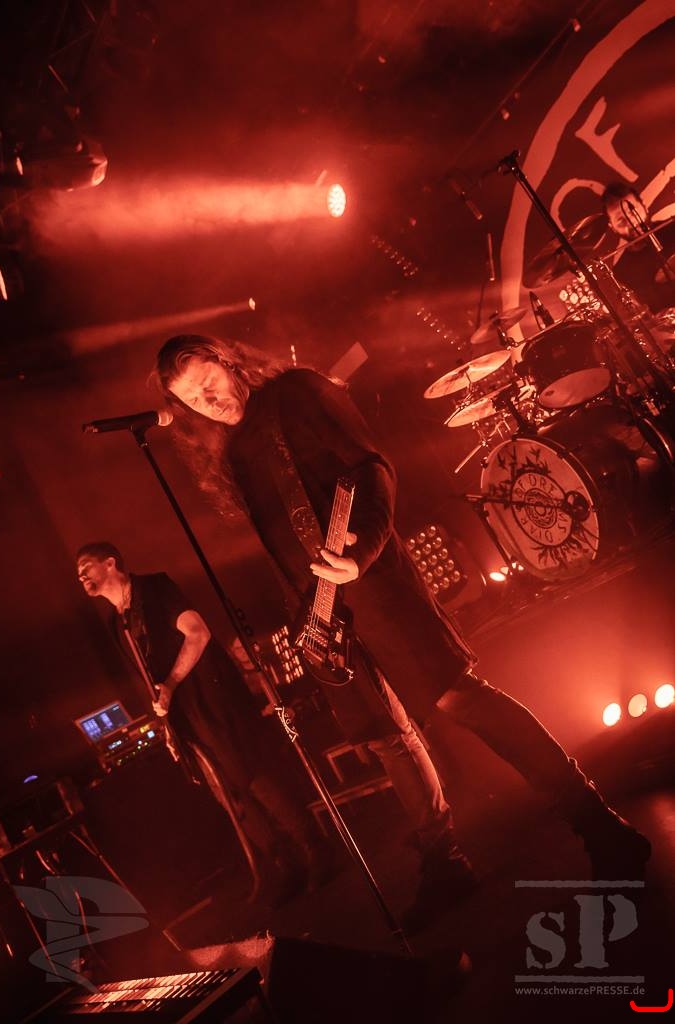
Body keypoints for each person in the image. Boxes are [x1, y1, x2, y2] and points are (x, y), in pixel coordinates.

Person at [152, 335, 652, 931]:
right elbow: (282, 537)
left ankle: (598, 823)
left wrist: (360, 551)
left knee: (460, 699)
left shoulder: (297, 393)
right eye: (191, 399)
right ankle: (445, 863)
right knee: (385, 737)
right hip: (322, 612)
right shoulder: (234, 452)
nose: (206, 401)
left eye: (207, 382)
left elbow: (371, 467)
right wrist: (305, 621)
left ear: (228, 361)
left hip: (373, 584)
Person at [76, 540, 334, 904]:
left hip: (212, 698)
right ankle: (284, 862)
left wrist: (171, 684)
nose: (81, 576)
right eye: (78, 573)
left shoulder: (155, 588)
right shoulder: (116, 624)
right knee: (227, 790)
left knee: (252, 774)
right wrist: (168, 725)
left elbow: (198, 634)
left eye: (86, 566)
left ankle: (315, 847)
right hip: (183, 716)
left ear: (110, 563)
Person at [602, 181, 675, 314]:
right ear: (612, 227)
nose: (631, 221)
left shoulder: (672, 227)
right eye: (620, 219)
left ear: (643, 205)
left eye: (632, 211)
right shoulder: (622, 271)